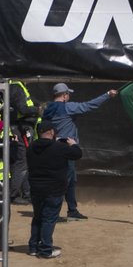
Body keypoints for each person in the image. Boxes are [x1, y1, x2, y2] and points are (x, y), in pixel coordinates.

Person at [41, 83, 115, 220]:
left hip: (52, 148)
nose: (69, 96)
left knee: (69, 180)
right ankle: (54, 213)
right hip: (66, 149)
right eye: (68, 94)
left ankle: (72, 209)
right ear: (64, 95)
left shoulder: (47, 109)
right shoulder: (68, 107)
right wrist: (107, 95)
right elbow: (90, 105)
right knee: (65, 181)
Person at [23, 119, 76, 260]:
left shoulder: (31, 147)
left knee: (38, 217)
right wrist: (73, 144)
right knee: (49, 219)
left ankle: (33, 247)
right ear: (52, 132)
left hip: (36, 188)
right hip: (54, 189)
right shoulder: (59, 147)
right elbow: (77, 154)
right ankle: (46, 250)